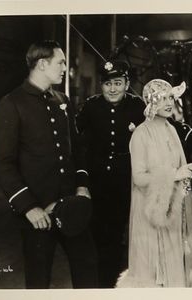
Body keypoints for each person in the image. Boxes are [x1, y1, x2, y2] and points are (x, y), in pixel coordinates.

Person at [0, 40, 97, 289]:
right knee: (38, 282)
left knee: (88, 271)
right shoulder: (12, 103)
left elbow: (76, 150)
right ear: (41, 64)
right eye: (60, 62)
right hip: (38, 213)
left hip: (71, 207)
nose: (64, 68)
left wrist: (82, 185)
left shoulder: (63, 101)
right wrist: (29, 208)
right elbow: (3, 164)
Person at [116, 79, 192, 287]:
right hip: (149, 212)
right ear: (151, 103)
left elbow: (180, 168)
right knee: (152, 271)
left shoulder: (171, 129)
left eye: (170, 97)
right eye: (162, 99)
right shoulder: (141, 133)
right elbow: (139, 178)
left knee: (175, 265)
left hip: (174, 210)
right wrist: (174, 175)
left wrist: (189, 172)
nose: (169, 103)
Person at [76, 60, 146, 288]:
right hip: (99, 184)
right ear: (101, 85)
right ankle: (105, 286)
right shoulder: (91, 107)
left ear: (127, 83)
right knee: (102, 238)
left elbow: (165, 128)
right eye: (107, 84)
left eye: (117, 83)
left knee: (131, 237)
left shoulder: (138, 107)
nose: (112, 89)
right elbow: (77, 142)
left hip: (130, 182)